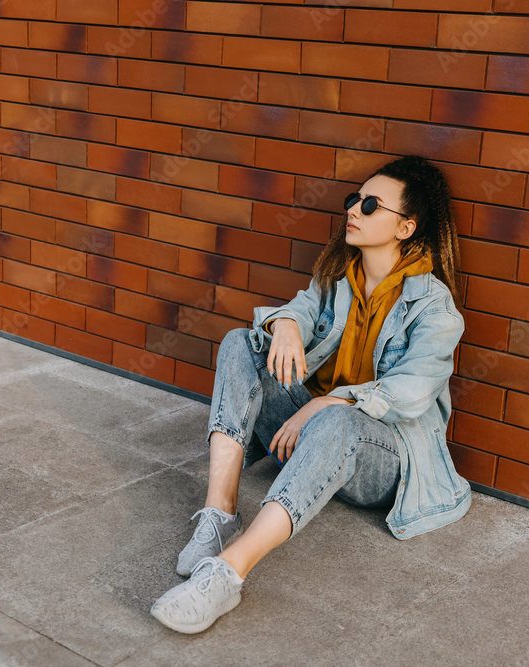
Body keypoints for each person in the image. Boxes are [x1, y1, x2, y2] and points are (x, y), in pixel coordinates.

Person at [150, 154, 470, 634]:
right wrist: (284, 325)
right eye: (354, 200)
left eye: (370, 205)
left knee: (338, 418)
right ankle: (219, 513)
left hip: (383, 459)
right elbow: (297, 310)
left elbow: (412, 391)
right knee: (240, 342)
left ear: (406, 227)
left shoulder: (434, 308)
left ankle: (228, 572)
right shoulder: (337, 278)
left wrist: (327, 402)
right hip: (311, 432)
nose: (354, 210)